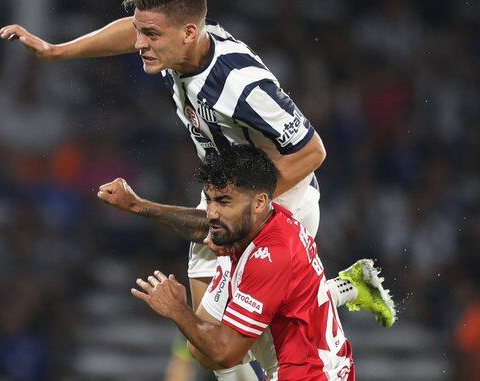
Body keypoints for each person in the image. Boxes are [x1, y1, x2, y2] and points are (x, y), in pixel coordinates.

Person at [0, 0, 395, 379]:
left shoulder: (241, 86)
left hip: (275, 201)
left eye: (150, 36)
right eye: (140, 31)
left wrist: (245, 208)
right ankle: (346, 288)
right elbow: (132, 28)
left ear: (188, 33)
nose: (140, 44)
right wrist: (55, 51)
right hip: (228, 195)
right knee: (204, 344)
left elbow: (312, 151)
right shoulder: (184, 42)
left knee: (226, 345)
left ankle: (335, 298)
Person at [132, 145, 355, 380]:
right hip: (318, 365)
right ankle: (343, 288)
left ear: (259, 203)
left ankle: (342, 289)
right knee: (203, 347)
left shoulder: (269, 256)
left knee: (215, 350)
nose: (212, 213)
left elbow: (225, 353)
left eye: (224, 202)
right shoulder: (264, 224)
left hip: (308, 375)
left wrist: (176, 308)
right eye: (209, 201)